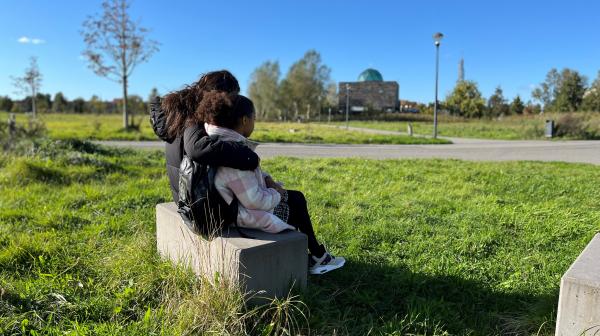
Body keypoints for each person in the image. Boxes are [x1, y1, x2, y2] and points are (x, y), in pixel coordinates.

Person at [196, 90, 345, 275]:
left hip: (230, 208)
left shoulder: (218, 143)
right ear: (244, 120)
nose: (254, 122)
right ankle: (317, 256)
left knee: (295, 198)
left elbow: (243, 180)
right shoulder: (234, 155)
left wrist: (267, 179)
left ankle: (313, 254)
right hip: (240, 216)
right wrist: (278, 193)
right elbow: (255, 201)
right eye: (254, 118)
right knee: (296, 200)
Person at [150, 70, 260, 203]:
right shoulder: (194, 115)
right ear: (219, 94)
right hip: (197, 203)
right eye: (232, 97)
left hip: (185, 196)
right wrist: (248, 157)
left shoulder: (180, 110)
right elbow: (197, 148)